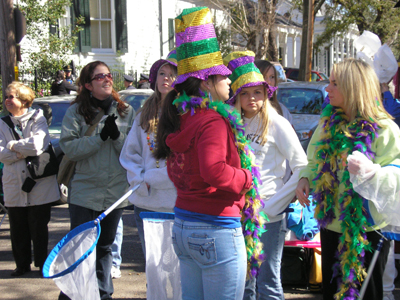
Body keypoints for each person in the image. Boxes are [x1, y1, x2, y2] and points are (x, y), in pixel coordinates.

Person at [154, 7, 267, 299]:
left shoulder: (182, 116)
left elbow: (176, 169)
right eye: (223, 77)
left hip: (184, 225)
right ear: (206, 82)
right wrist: (246, 178)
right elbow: (213, 170)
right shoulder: (213, 120)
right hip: (215, 228)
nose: (230, 82)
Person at [295, 58, 400, 300]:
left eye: (334, 83)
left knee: (366, 294)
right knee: (332, 293)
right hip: (331, 226)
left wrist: (370, 172)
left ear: (353, 87)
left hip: (368, 229)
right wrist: (304, 179)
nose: (327, 88)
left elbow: (396, 175)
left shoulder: (384, 129)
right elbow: (312, 161)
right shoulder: (327, 124)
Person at [223, 51, 308, 300]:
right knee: (243, 281)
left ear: (266, 94)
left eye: (257, 92)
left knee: (268, 281)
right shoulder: (230, 123)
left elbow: (301, 166)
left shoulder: (277, 123)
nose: (252, 99)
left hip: (268, 218)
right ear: (237, 96)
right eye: (246, 93)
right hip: (236, 213)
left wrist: (273, 206)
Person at [59, 61, 136, 300]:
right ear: (88, 85)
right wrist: (99, 138)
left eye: (109, 75)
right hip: (84, 191)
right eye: (100, 76)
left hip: (114, 193)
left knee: (104, 247)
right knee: (80, 248)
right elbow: (70, 148)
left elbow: (132, 153)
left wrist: (115, 138)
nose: (107, 79)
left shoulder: (125, 111)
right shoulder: (76, 112)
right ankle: (73, 294)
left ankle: (104, 294)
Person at [119, 49, 178, 258]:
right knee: (153, 264)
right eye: (162, 73)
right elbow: (130, 154)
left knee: (176, 265)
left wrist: (162, 177)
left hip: (175, 203)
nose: (167, 79)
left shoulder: (185, 113)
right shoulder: (144, 115)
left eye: (173, 74)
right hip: (146, 201)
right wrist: (139, 179)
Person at [0, 82, 60, 276]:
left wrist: (11, 146)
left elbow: (37, 146)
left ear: (24, 100)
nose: (8, 100)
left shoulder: (38, 118)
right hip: (14, 183)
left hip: (39, 184)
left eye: (12, 97)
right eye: (7, 97)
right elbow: (2, 155)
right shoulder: (2, 123)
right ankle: (21, 265)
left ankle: (42, 264)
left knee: (38, 227)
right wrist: (18, 151)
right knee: (17, 228)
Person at [254, 59, 292, 124]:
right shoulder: (246, 110)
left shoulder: (282, 110)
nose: (269, 81)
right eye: (264, 77)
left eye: (272, 77)